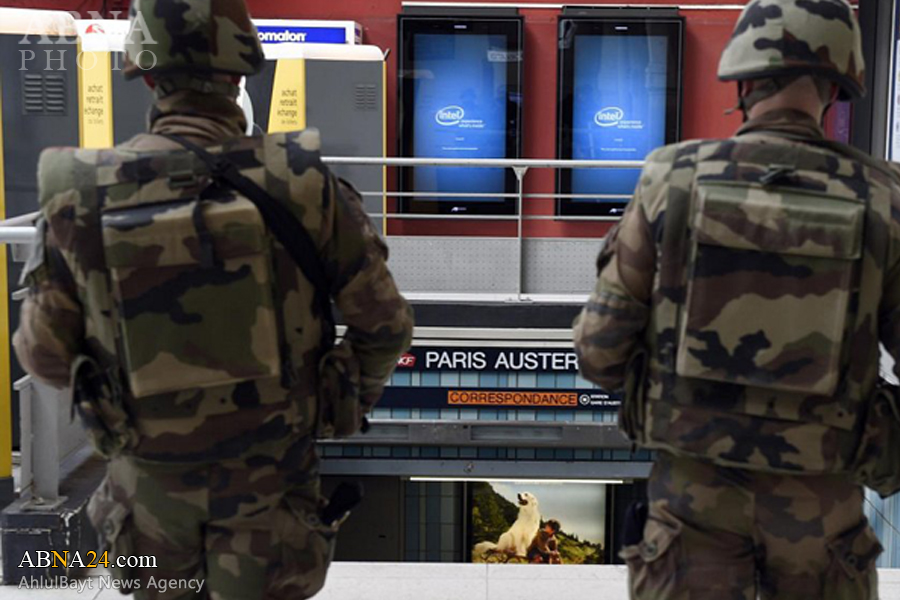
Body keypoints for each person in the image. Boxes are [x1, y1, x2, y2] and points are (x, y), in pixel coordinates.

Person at [12, 0, 413, 598]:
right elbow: (386, 325)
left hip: (148, 496)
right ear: (241, 71)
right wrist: (332, 399)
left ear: (146, 75)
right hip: (272, 490)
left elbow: (43, 353)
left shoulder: (82, 193)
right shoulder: (305, 186)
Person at [573, 0, 899, 597]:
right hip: (824, 526)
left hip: (689, 517)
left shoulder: (672, 177)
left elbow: (599, 352)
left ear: (744, 82)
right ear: (836, 88)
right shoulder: (886, 199)